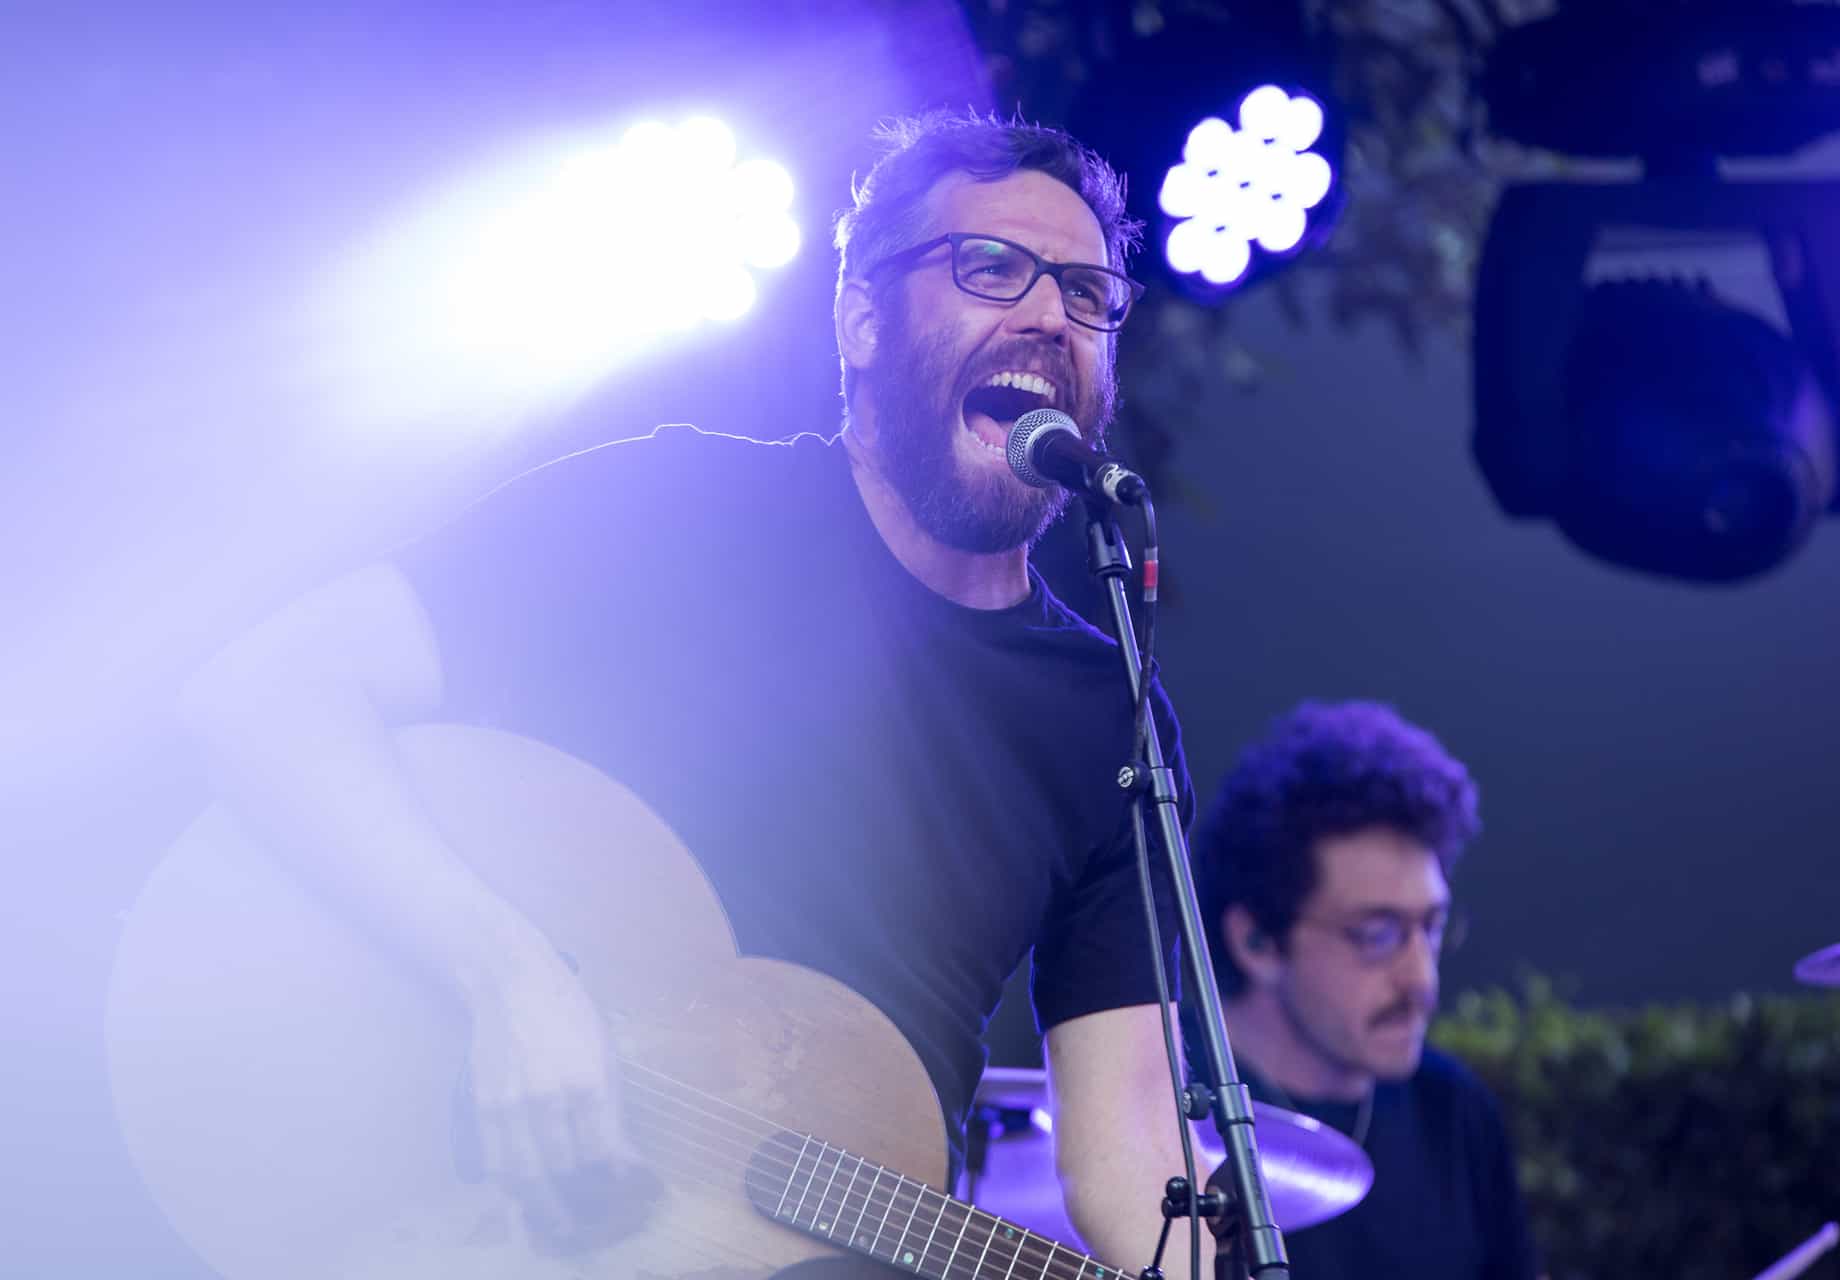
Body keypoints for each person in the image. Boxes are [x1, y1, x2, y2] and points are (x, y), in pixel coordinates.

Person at [179, 110, 1214, 1274]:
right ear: (863, 318)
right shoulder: (683, 508)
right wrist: (505, 977)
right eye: (990, 267)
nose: (1048, 314)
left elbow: (1137, 1143)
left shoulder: (1109, 713)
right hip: (481, 1218)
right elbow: (267, 690)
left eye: (1087, 292)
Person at [1192, 700, 1537, 1280]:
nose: (1421, 979)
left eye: (1431, 927)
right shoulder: (1153, 1109)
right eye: (1377, 935)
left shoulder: (1453, 1109)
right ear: (1256, 941)